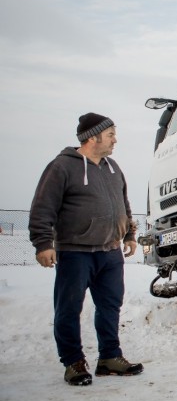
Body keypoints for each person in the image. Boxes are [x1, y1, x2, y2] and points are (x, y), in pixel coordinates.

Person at [29, 112, 143, 386]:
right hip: (75, 252)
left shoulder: (113, 167)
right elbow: (43, 207)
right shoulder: (62, 167)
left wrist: (128, 234)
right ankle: (73, 362)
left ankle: (109, 358)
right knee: (69, 308)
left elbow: (123, 204)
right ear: (93, 137)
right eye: (111, 134)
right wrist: (43, 243)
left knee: (110, 306)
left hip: (110, 252)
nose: (116, 139)